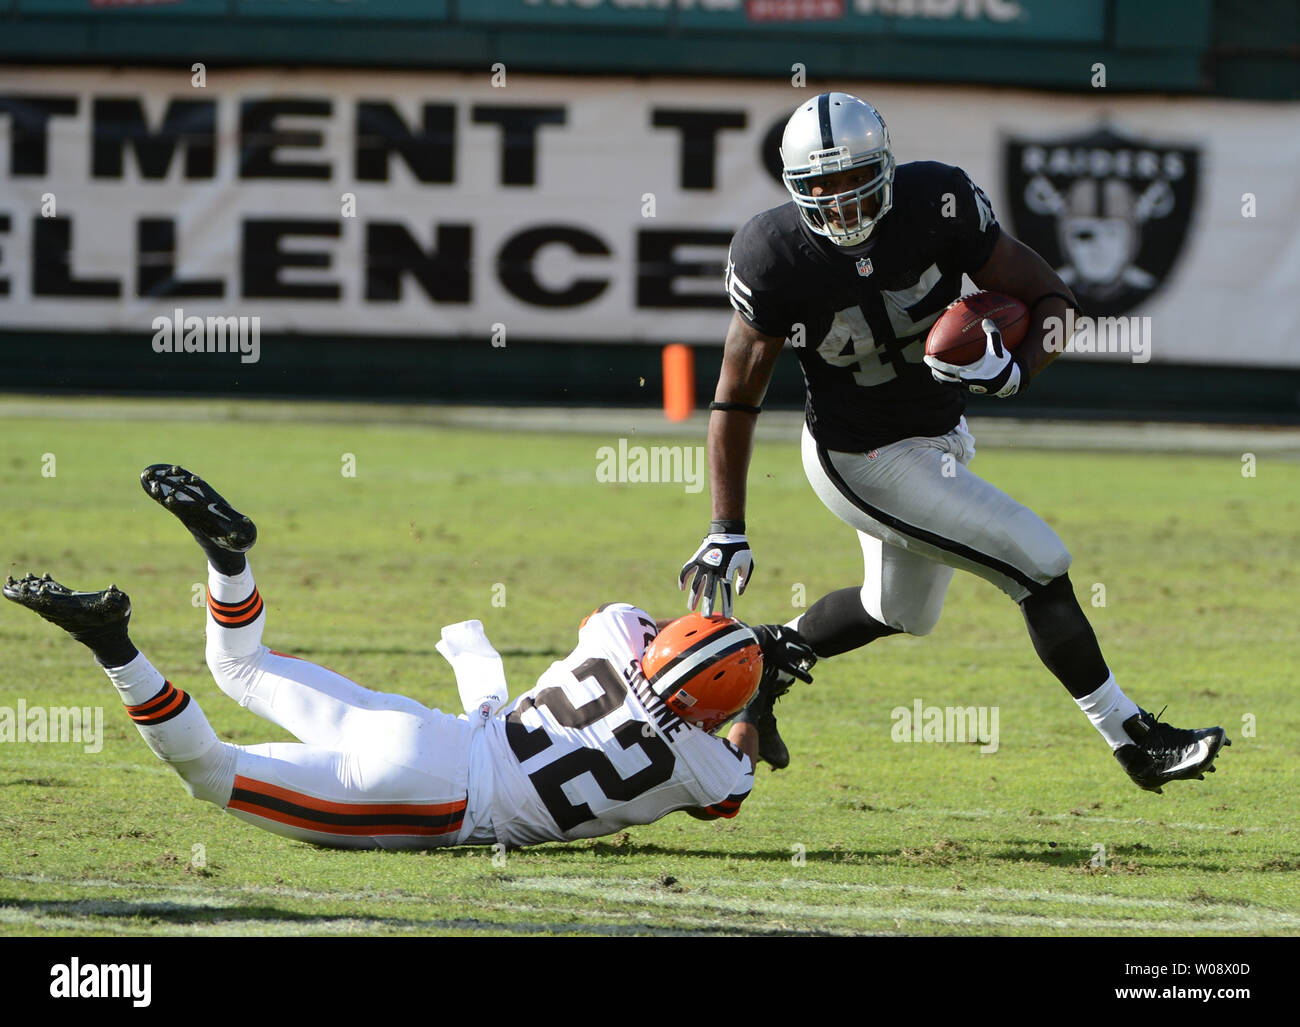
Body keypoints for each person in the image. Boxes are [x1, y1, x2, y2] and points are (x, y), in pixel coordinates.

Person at [677, 92, 1228, 792]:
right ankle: (1135, 739)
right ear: (794, 189)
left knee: (900, 610)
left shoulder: (938, 202)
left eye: (855, 179)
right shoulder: (772, 254)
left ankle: (758, 663)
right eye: (822, 186)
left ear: (887, 166)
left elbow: (1055, 300)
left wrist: (1016, 372)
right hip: (861, 456)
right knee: (1037, 560)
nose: (842, 201)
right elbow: (735, 395)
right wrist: (727, 525)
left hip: (937, 432)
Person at [4, 465, 804, 850]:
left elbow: (635, 624)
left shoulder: (616, 631)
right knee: (214, 773)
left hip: (437, 734)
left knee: (238, 667)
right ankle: (111, 642)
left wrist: (731, 626)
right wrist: (756, 703)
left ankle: (228, 560)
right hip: (445, 801)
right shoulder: (704, 764)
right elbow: (731, 780)